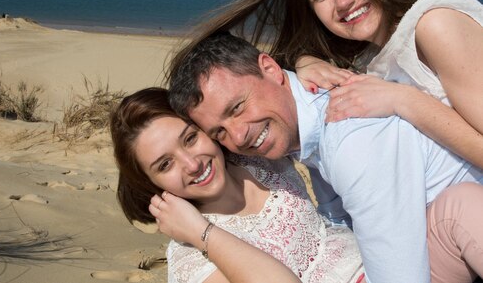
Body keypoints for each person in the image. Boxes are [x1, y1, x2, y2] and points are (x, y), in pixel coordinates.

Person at [166, 31, 483, 283]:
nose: (237, 136)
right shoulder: (303, 125)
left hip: (451, 234)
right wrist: (304, 59)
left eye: (236, 108)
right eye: (219, 133)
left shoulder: (349, 138)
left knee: (458, 207)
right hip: (440, 239)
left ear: (270, 69)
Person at [176, 0, 483, 170]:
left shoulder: (436, 26)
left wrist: (404, 100)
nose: (343, 1)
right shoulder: (371, 56)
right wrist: (304, 61)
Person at [110, 87, 365, 283]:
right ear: (150, 183)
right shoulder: (189, 259)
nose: (192, 164)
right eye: (165, 164)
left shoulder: (253, 154)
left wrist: (305, 61)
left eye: (190, 138)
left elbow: (275, 87)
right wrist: (203, 233)